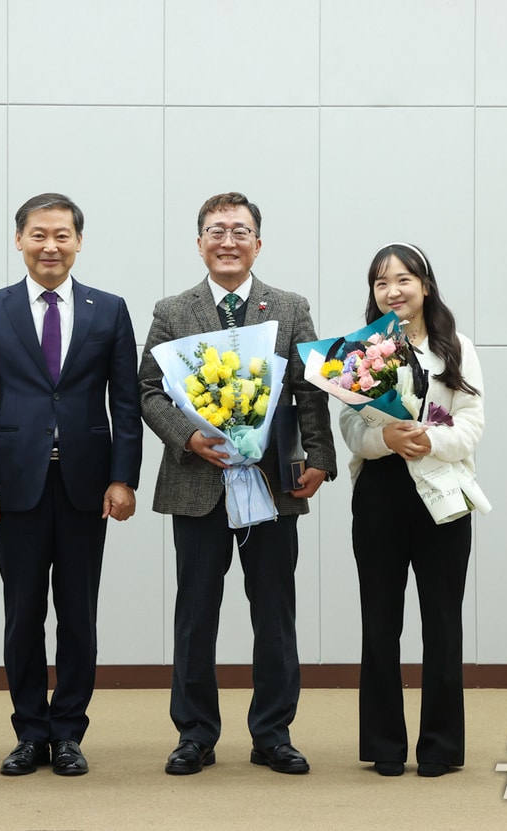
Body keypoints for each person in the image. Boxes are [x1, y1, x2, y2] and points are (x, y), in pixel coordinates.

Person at [137, 192, 337, 776]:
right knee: (196, 615)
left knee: (274, 613)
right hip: (197, 482)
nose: (228, 240)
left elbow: (309, 390)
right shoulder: (173, 310)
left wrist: (319, 457)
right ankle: (195, 734)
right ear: (199, 242)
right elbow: (149, 390)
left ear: (258, 242)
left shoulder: (291, 307)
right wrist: (188, 438)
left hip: (275, 486)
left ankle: (273, 733)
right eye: (216, 231)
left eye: (240, 231)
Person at [0, 192, 143, 777]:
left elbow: (125, 402)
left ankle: (68, 732)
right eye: (39, 234)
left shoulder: (109, 310)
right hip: (14, 485)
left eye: (62, 235)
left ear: (79, 242)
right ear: (19, 240)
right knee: (21, 614)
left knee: (78, 614)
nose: (50, 246)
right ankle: (27, 732)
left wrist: (123, 478)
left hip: (86, 485)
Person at [338, 242, 484, 779]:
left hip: (442, 491)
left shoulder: (456, 348)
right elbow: (352, 428)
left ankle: (441, 745)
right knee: (380, 621)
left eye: (402, 280)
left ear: (425, 285)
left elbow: (472, 423)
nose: (392, 291)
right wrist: (386, 441)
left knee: (442, 621)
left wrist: (426, 439)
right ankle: (384, 745)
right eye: (381, 283)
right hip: (380, 493)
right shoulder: (359, 350)